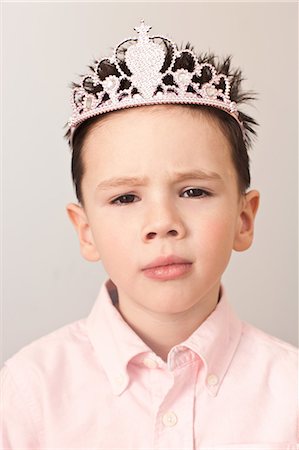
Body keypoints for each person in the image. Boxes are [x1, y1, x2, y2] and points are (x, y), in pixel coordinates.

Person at [1, 20, 297, 449]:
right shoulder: (28, 393)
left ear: (244, 219)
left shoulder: (290, 396)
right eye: (125, 198)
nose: (162, 222)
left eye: (194, 191)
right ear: (85, 231)